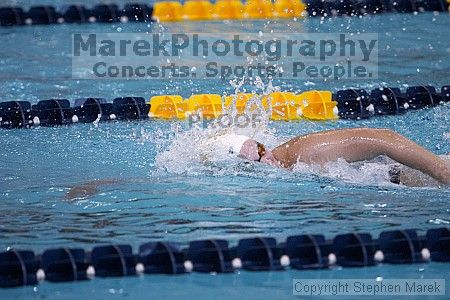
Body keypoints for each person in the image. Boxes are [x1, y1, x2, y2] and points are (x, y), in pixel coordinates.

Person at [237, 128, 450, 185]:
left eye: (262, 150)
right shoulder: (291, 171)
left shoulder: (305, 151)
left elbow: (385, 138)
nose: (265, 160)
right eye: (257, 161)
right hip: (397, 175)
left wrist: (441, 170)